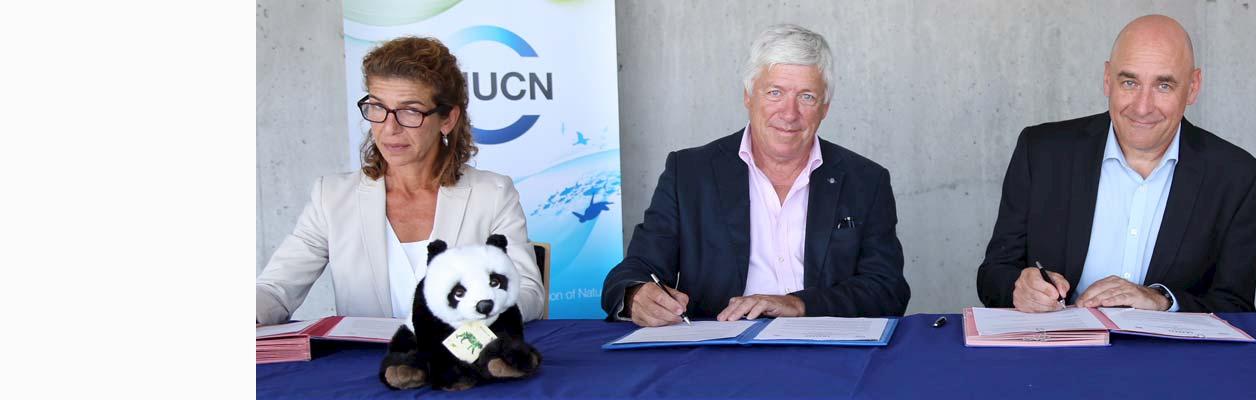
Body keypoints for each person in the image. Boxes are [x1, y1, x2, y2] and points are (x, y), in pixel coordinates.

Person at [601, 24, 909, 327]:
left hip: (827, 351)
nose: (789, 114)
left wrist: (799, 303)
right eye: (775, 92)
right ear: (748, 96)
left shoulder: (866, 180)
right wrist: (635, 295)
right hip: (719, 353)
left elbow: (887, 289)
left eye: (806, 97)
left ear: (824, 107)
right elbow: (635, 270)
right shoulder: (689, 174)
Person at [975, 15, 1256, 314]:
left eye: (1163, 86)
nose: (1142, 107)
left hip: (1171, 360)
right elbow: (993, 274)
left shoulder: (1239, 177)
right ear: (1107, 79)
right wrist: (1018, 288)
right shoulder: (1040, 152)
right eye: (1129, 82)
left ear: (1193, 87)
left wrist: (1163, 301)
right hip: (1058, 354)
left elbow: (1236, 307)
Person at [255, 37, 545, 324]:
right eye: (378, 108)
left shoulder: (492, 195)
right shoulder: (331, 198)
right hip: (363, 367)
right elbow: (275, 289)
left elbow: (529, 293)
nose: (389, 128)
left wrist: (475, 317)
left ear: (447, 119)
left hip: (463, 363)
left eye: (410, 111)